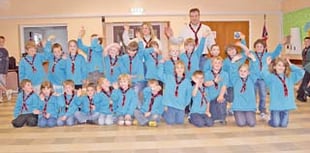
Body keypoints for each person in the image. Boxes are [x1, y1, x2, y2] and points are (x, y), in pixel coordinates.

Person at [262, 57, 304, 127]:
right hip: (276, 105)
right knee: (275, 124)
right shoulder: (271, 77)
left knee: (283, 125)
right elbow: (263, 73)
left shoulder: (290, 76)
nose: (281, 67)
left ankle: (279, 116)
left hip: (286, 104)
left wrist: (291, 65)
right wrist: (267, 64)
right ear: (274, 67)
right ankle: (269, 118)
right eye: (279, 65)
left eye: (283, 66)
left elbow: (301, 72)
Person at [248, 39, 284, 119]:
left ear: (264, 47)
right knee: (252, 95)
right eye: (257, 46)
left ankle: (262, 110)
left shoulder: (268, 55)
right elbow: (245, 52)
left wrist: (280, 45)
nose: (259, 48)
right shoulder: (252, 55)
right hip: (253, 78)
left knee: (263, 96)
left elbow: (276, 53)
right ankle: (251, 109)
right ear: (254, 47)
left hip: (263, 79)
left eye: (261, 46)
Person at [158, 60, 192, 125]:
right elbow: (160, 75)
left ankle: (173, 114)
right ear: (175, 69)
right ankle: (163, 112)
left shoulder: (187, 81)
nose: (179, 69)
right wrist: (161, 64)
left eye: (181, 67)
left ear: (184, 69)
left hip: (180, 105)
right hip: (170, 104)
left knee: (180, 122)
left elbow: (188, 95)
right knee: (170, 122)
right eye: (177, 68)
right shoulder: (169, 78)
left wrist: (185, 105)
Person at [230, 54, 258, 127]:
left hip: (249, 106)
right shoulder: (235, 80)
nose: (242, 73)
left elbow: (256, 71)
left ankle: (248, 114)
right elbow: (232, 72)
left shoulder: (252, 79)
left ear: (248, 72)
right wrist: (233, 61)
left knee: (252, 124)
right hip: (238, 107)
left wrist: (254, 60)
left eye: (245, 71)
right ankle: (236, 113)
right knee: (241, 124)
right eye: (241, 71)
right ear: (238, 72)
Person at [203, 57, 228, 125]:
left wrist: (221, 96)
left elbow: (224, 86)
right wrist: (214, 81)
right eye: (215, 63)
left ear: (222, 64)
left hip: (219, 95)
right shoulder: (207, 73)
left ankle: (222, 117)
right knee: (212, 116)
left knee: (222, 101)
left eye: (219, 63)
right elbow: (205, 84)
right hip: (210, 97)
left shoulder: (225, 74)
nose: (217, 64)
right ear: (212, 64)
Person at [297, 37, 310, 102]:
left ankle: (301, 94)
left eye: (308, 41)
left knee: (304, 82)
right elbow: (304, 60)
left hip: (308, 68)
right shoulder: (304, 50)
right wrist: (303, 67)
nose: (306, 43)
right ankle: (301, 95)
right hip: (306, 68)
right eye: (305, 41)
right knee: (304, 82)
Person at [0, 36, 9, 102]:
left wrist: (5, 72)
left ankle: (1, 97)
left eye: (2, 42)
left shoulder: (5, 51)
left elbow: (7, 62)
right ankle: (7, 91)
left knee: (2, 84)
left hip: (2, 71)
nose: (1, 43)